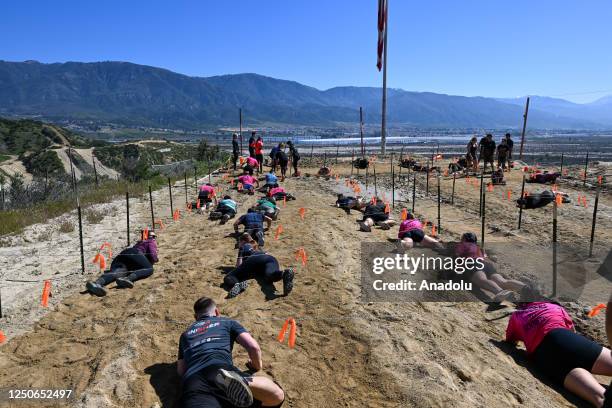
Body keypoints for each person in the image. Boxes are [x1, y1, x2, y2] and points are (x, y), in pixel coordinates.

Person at [177, 297, 285, 408]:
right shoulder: (226, 322)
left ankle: (235, 384)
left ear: (196, 317)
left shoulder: (185, 335)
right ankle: (244, 382)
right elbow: (253, 347)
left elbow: (181, 370)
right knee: (277, 396)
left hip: (193, 380)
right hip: (220, 370)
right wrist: (256, 366)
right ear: (217, 312)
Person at [506, 301, 612, 408]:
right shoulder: (554, 306)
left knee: (602, 398)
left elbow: (511, 341)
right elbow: (572, 331)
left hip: (544, 357)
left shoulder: (516, 315)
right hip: (564, 339)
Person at [456, 232, 525, 302]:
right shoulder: (479, 247)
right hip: (486, 264)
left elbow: (456, 255)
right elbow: (484, 256)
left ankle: (500, 292)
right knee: (502, 281)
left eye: (462, 239)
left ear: (464, 239)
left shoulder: (462, 245)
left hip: (473, 263)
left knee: (482, 280)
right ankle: (524, 287)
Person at [85, 231, 158, 296]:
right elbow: (152, 255)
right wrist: (155, 260)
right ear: (152, 237)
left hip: (123, 256)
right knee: (149, 268)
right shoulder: (151, 241)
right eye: (154, 237)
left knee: (116, 272)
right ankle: (128, 279)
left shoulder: (139, 243)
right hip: (135, 253)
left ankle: (97, 283)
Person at [224, 251, 295, 298]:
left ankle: (236, 284)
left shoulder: (247, 256)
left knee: (229, 276)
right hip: (270, 259)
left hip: (251, 261)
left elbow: (238, 264)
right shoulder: (259, 251)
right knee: (270, 274)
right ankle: (283, 274)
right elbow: (267, 253)